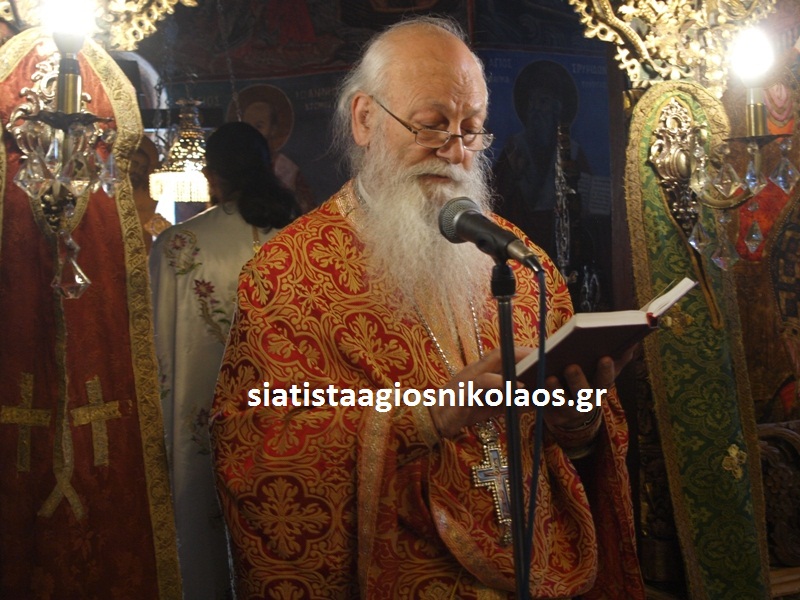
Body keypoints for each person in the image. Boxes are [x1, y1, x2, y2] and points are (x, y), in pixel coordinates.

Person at [211, 17, 645, 599]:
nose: (455, 151)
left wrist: (578, 420)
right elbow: (258, 450)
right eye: (432, 125)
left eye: (472, 130)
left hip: (538, 570)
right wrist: (427, 418)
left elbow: (580, 447)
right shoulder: (288, 273)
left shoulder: (521, 264)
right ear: (365, 118)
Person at [150, 122, 298, 600]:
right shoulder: (300, 240)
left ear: (212, 175)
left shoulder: (178, 246)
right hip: (285, 429)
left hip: (203, 429)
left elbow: (155, 351)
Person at [234, 84, 316, 213]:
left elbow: (306, 210)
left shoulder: (287, 169)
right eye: (248, 126)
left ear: (273, 129)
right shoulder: (236, 167)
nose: (252, 132)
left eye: (259, 126)